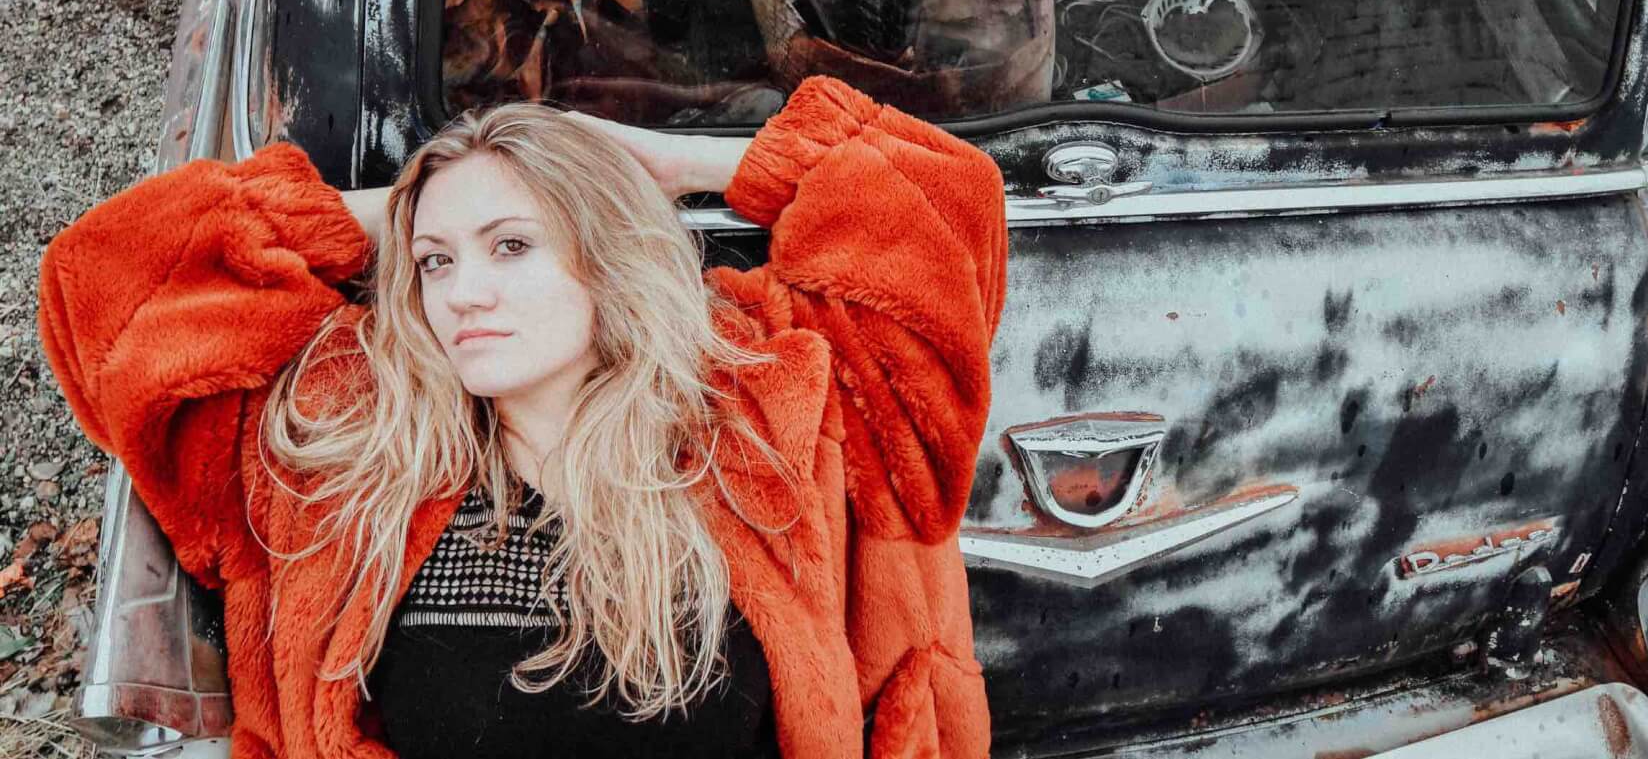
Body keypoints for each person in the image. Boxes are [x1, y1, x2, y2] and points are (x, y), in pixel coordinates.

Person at [37, 75, 1006, 759]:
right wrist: (419, 197)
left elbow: (936, 196)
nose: (463, 294)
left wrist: (662, 163)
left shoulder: (765, 413)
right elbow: (111, 279)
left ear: (609, 254)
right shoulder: (342, 442)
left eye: (512, 246)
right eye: (436, 264)